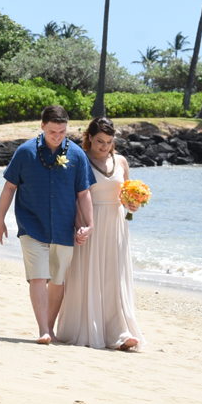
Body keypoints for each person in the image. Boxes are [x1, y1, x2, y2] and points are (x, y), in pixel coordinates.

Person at [0, 105, 94, 344]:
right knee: (38, 276)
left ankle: (50, 327)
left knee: (57, 280)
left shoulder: (77, 155)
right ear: (42, 126)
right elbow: (9, 187)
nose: (57, 136)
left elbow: (83, 193)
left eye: (62, 131)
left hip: (63, 227)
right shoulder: (25, 152)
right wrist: (0, 220)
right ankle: (43, 331)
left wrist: (90, 224)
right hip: (31, 225)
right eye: (52, 131)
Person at [56, 117, 145, 351]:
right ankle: (87, 329)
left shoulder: (121, 161)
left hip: (116, 225)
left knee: (114, 278)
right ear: (89, 138)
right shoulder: (79, 159)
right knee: (86, 276)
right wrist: (79, 225)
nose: (104, 146)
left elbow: (127, 195)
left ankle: (119, 332)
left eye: (109, 141)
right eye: (99, 141)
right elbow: (72, 196)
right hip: (89, 223)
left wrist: (133, 205)